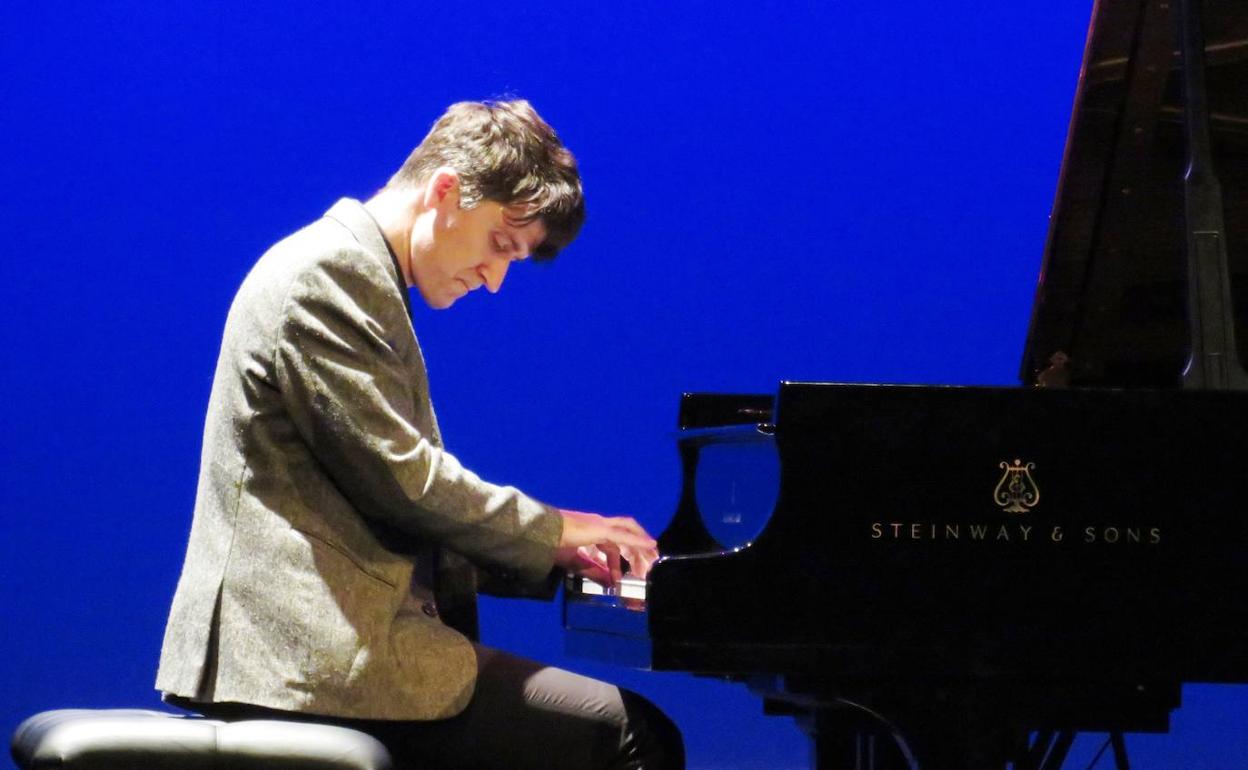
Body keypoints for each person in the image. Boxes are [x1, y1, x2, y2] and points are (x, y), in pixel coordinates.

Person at [156, 99, 683, 770]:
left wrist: (562, 554)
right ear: (444, 191)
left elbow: (388, 505)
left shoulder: (355, 273)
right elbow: (408, 484)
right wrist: (559, 533)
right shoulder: (330, 274)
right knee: (630, 737)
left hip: (322, 652)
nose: (495, 280)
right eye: (501, 245)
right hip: (302, 662)